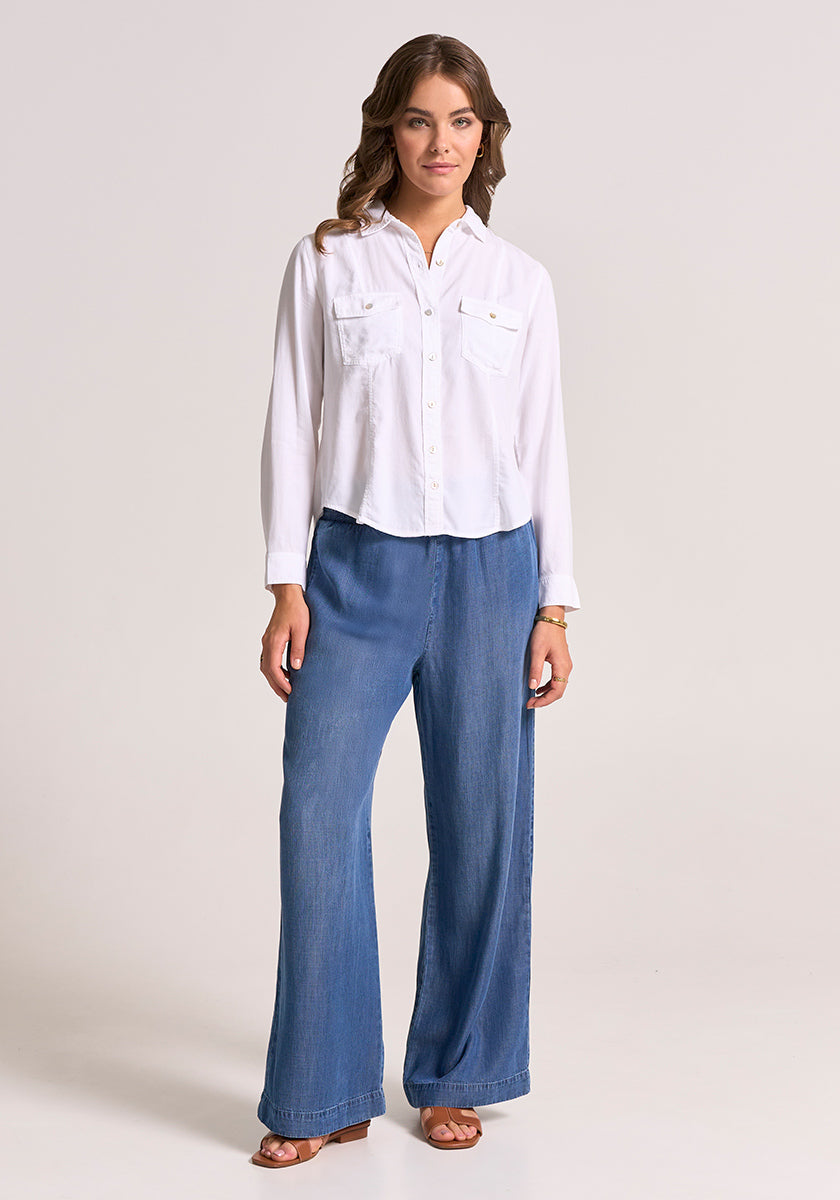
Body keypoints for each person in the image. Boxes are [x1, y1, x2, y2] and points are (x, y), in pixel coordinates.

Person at [252, 33, 581, 1169]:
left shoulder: (519, 282)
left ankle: (458, 1072)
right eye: (418, 120)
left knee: (485, 826)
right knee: (317, 811)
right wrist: (285, 580)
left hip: (493, 573)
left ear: (483, 136)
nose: (440, 143)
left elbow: (546, 449)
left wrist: (556, 602)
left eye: (461, 121)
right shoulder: (330, 262)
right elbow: (294, 420)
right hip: (357, 567)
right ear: (385, 129)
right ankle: (323, 1088)